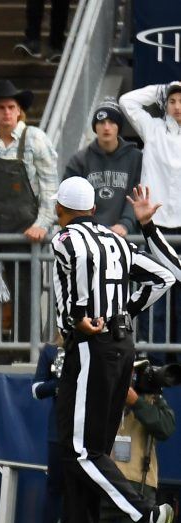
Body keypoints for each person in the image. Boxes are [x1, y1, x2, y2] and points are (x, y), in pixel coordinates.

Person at [47, 175, 175, 523]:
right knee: (83, 448)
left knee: (82, 450)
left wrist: (75, 322)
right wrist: (128, 310)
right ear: (93, 208)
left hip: (91, 344)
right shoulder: (117, 241)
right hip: (121, 344)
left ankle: (145, 516)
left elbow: (66, 295)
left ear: (60, 209)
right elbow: (167, 274)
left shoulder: (65, 240)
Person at [0, 79, 58, 344]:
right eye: (1, 107)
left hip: (26, 230)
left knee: (26, 294)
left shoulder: (37, 139)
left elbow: (51, 189)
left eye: (11, 107)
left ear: (19, 111)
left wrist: (42, 223)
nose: (6, 113)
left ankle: (23, 350)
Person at [120, 82, 181, 364]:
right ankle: (155, 361)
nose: (177, 107)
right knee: (158, 291)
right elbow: (127, 101)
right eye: (172, 101)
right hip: (154, 225)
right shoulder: (153, 129)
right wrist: (161, 89)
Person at [97, 371, 175, 523]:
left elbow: (166, 428)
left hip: (139, 480)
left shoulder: (151, 399)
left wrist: (136, 402)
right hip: (105, 477)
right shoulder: (104, 389)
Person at [63, 98, 141, 237]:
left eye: (111, 122)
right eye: (101, 122)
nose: (106, 127)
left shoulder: (136, 158)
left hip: (126, 236)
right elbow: (69, 199)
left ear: (119, 127)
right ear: (95, 127)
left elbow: (137, 195)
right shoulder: (79, 160)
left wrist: (125, 224)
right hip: (89, 236)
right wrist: (86, 227)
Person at [31, 336, 64, 523]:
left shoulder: (93, 346)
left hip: (85, 426)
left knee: (82, 488)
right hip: (59, 428)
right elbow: (36, 389)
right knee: (55, 487)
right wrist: (60, 384)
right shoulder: (51, 351)